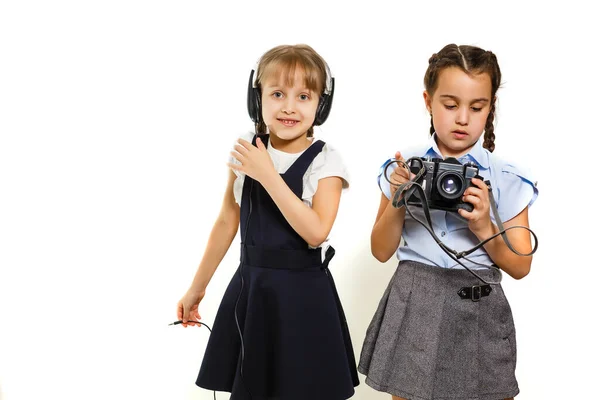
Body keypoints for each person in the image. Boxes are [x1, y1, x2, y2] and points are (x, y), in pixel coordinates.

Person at [176, 44, 359, 400]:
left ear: (321, 105)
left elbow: (317, 231)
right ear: (256, 98)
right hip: (253, 290)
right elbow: (228, 221)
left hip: (303, 298)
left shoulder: (327, 162)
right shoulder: (248, 146)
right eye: (277, 94)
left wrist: (268, 175)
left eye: (304, 96)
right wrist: (197, 288)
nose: (289, 107)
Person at [358, 44, 539, 400]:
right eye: (450, 104)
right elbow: (380, 251)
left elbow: (521, 266)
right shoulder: (405, 166)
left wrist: (486, 227)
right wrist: (399, 195)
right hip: (414, 303)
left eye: (477, 107)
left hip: (479, 307)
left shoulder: (507, 177)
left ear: (491, 108)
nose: (462, 118)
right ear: (428, 101)